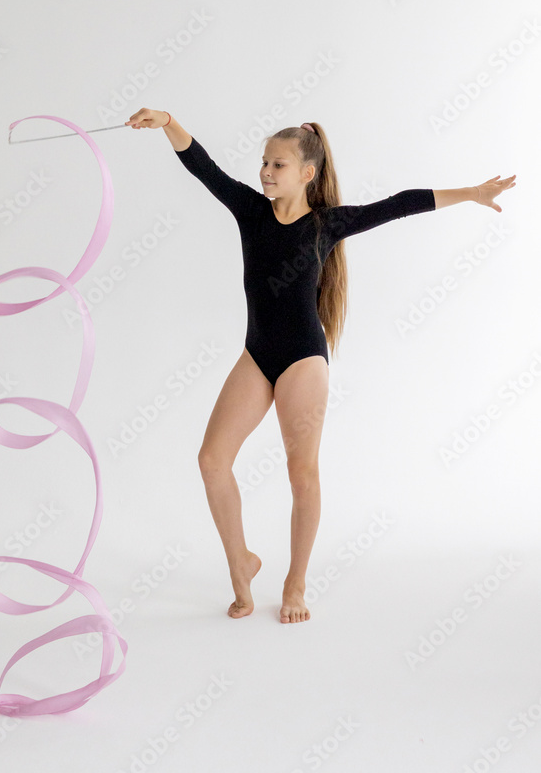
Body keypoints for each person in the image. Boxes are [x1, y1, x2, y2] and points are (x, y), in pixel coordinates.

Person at [125, 108, 516, 623]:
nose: (265, 171)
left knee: (301, 472)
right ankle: (240, 563)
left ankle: (296, 582)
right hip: (256, 353)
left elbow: (399, 204)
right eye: (264, 161)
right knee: (211, 460)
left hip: (302, 360)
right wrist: (169, 121)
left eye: (278, 164)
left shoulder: (325, 224)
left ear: (307, 173)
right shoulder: (249, 209)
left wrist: (470, 192)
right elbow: (204, 167)